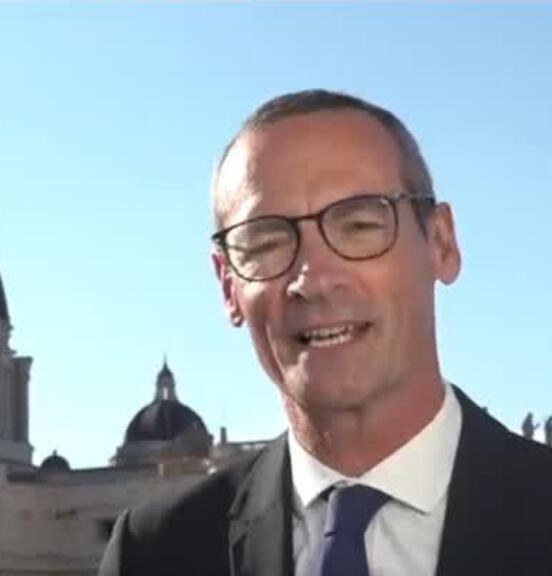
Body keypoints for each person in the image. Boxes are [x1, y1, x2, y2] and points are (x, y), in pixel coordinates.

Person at [98, 90, 552, 576]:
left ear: (441, 243)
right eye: (267, 243)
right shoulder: (154, 553)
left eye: (359, 224)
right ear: (228, 286)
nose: (312, 280)